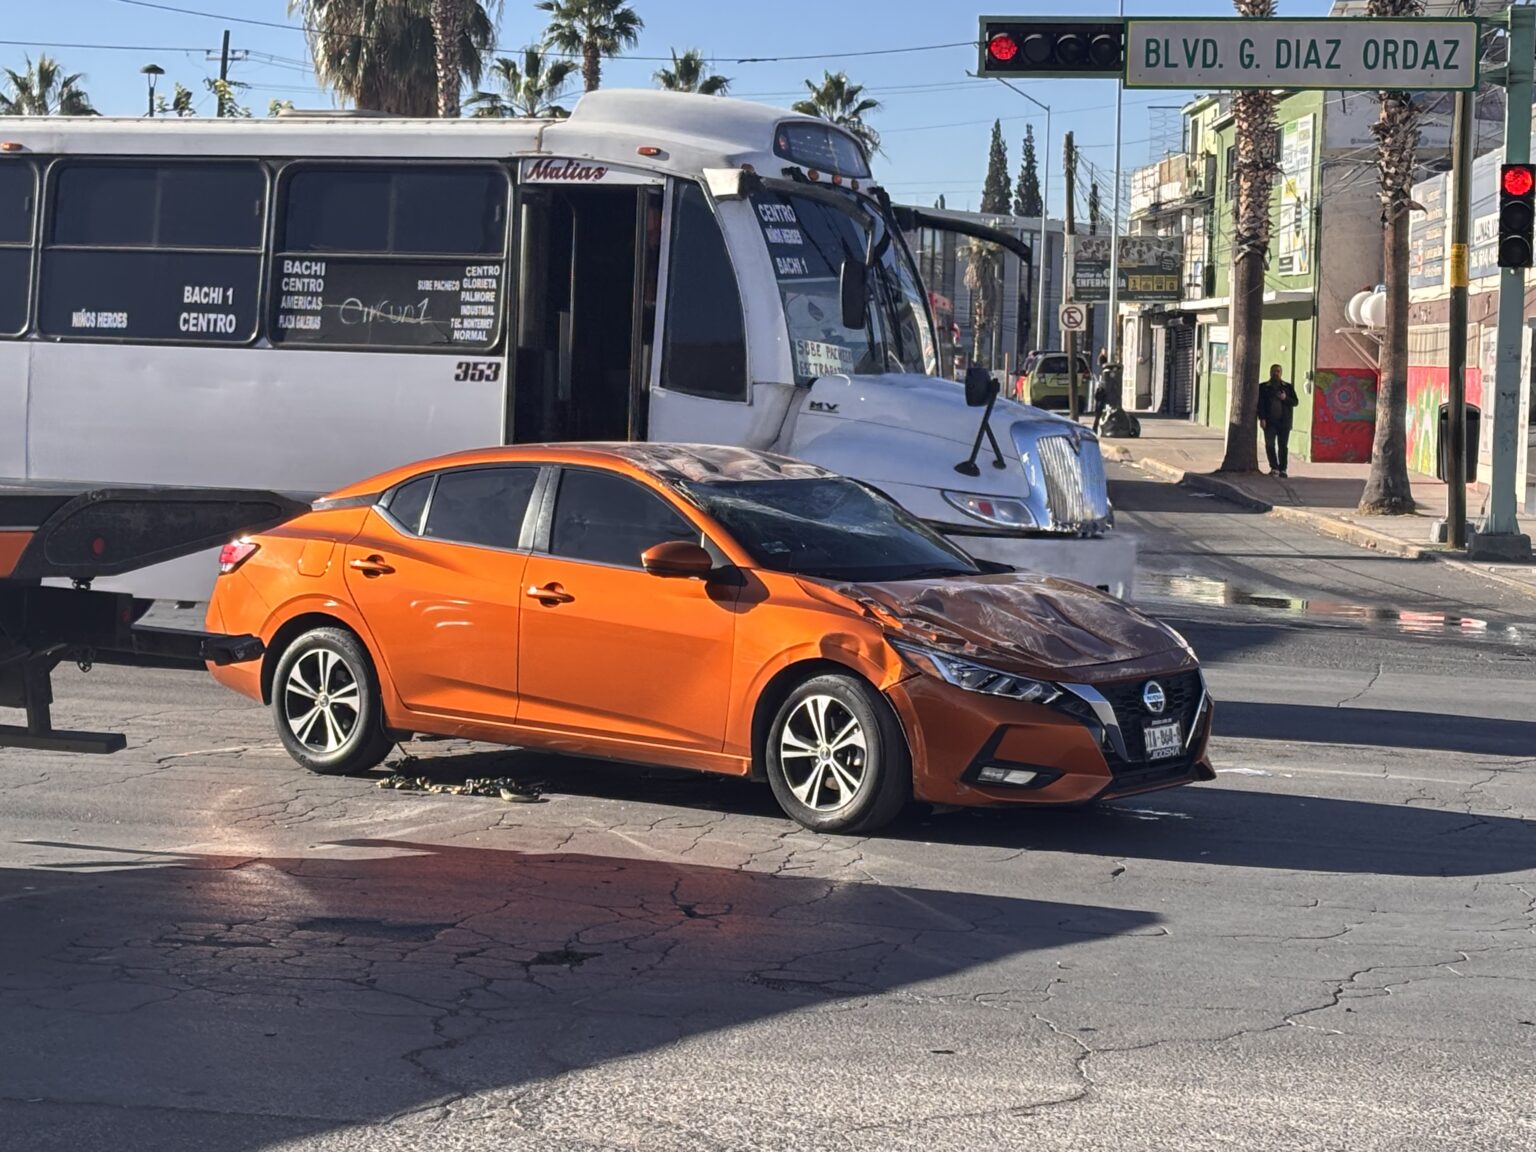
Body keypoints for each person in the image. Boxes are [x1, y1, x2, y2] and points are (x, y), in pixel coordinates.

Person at [1257, 364, 1300, 477]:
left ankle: (1283, 469)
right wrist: (1262, 418)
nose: (1276, 373)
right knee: (1270, 445)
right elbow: (1260, 404)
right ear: (1270, 372)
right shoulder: (1263, 387)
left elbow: (1295, 402)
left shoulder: (1287, 387)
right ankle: (1274, 467)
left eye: (1278, 371)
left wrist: (1285, 398)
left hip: (1284, 422)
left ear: (1281, 373)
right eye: (1274, 371)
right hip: (1270, 422)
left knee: (1283, 446)